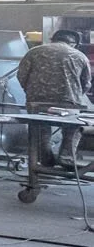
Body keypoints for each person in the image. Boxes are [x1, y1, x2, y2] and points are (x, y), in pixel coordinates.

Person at [16, 29, 91, 167]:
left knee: (41, 130)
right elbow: (86, 83)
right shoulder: (80, 56)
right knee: (73, 128)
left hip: (36, 102)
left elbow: (21, 76)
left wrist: (31, 92)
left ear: (52, 40)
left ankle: (45, 162)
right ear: (73, 43)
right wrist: (75, 95)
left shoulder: (33, 52)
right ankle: (66, 157)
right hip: (68, 103)